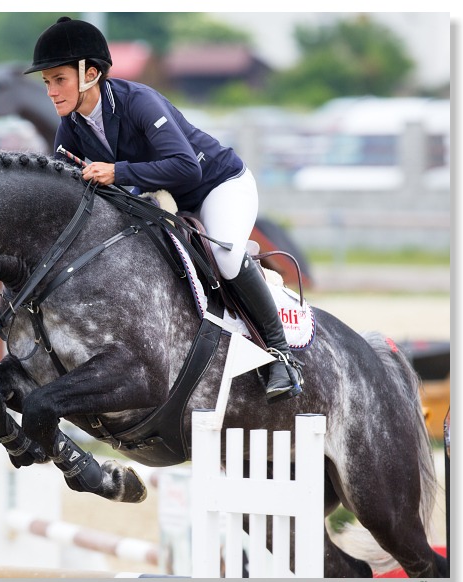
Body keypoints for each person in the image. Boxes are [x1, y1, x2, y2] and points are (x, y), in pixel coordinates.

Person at [24, 16, 303, 401]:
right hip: (163, 200)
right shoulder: (71, 127)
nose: (52, 92)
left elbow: (186, 167)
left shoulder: (138, 101)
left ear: (90, 73)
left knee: (224, 256)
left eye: (59, 79)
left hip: (216, 186)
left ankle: (280, 356)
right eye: (47, 83)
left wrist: (117, 171)